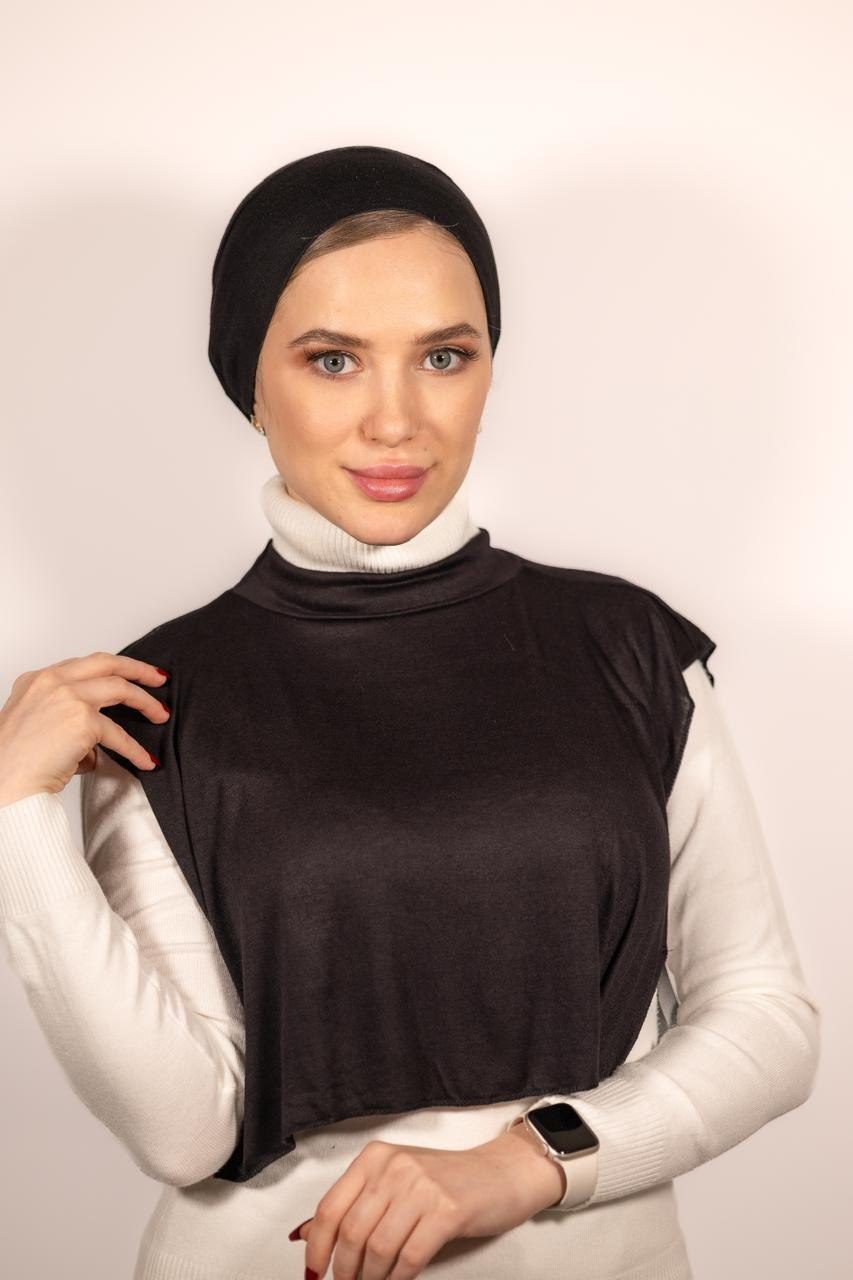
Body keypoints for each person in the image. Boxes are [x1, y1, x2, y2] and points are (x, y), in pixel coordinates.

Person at [0, 146, 821, 1280]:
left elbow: (767, 1020)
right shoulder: (155, 695)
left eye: (443, 356)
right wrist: (15, 816)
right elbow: (186, 1128)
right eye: (332, 360)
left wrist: (529, 1157)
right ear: (251, 383)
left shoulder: (627, 647)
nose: (396, 421)